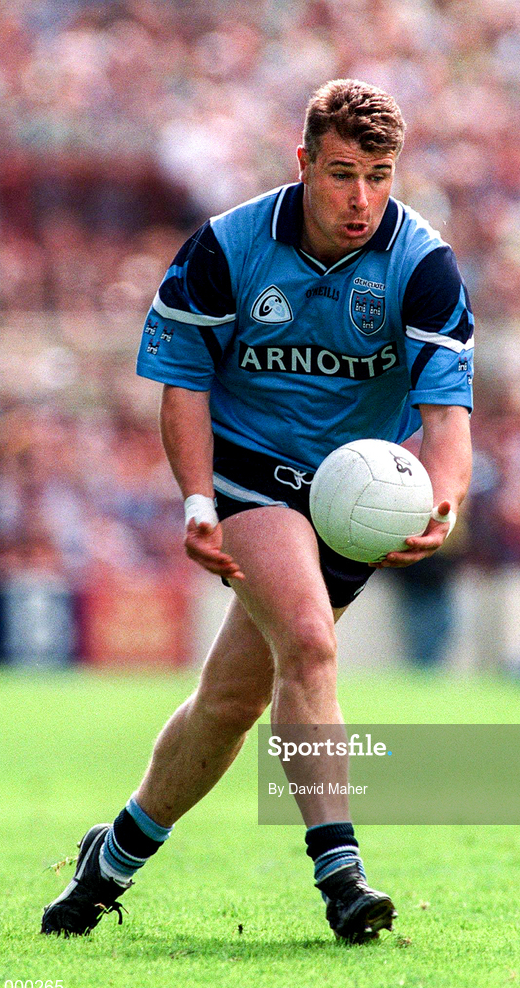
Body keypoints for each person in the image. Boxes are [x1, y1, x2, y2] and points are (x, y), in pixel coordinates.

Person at [41, 79, 474, 943]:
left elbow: (447, 415)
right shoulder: (228, 246)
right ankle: (342, 876)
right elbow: (183, 385)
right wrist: (199, 500)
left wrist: (445, 501)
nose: (362, 199)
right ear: (303, 162)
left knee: (231, 700)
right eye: (343, 174)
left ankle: (109, 861)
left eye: (380, 176)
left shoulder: (424, 265)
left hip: (356, 498)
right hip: (250, 474)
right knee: (309, 643)